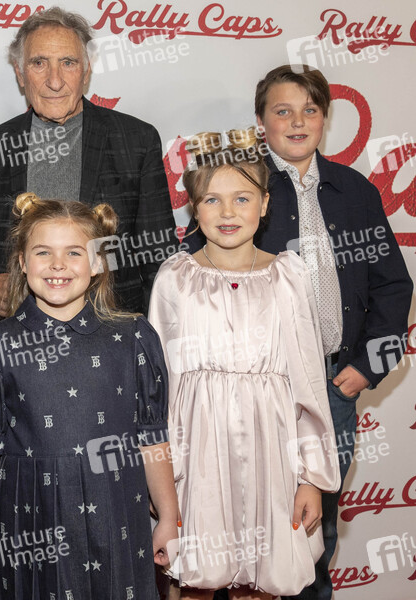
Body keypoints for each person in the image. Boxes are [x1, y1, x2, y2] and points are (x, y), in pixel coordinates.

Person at [181, 66, 413, 600]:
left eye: (310, 110)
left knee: (313, 531)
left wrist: (366, 369)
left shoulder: (355, 190)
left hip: (330, 388)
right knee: (239, 528)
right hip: (251, 388)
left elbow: (394, 286)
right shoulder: (240, 185)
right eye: (282, 111)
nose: (297, 121)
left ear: (325, 119)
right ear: (260, 121)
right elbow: (195, 277)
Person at [149, 128, 341, 599]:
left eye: (242, 198)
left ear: (265, 204)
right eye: (212, 200)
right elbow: (159, 384)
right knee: (195, 580)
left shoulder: (289, 275)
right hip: (196, 450)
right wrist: (163, 480)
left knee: (263, 581)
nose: (228, 212)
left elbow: (308, 382)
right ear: (194, 209)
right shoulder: (175, 277)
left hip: (273, 449)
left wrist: (311, 479)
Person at [0, 192, 179, 599]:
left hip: (114, 511)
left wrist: (169, 516)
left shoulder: (133, 337)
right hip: (28, 517)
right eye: (43, 252)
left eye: (74, 253)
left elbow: (152, 437)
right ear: (22, 262)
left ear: (97, 263)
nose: (58, 264)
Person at [0, 6, 177, 317]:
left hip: (111, 324)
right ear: (19, 73)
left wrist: (156, 334)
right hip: (18, 329)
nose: (55, 81)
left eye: (68, 63)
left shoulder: (135, 140)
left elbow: (159, 255)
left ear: (86, 71)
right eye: (39, 63)